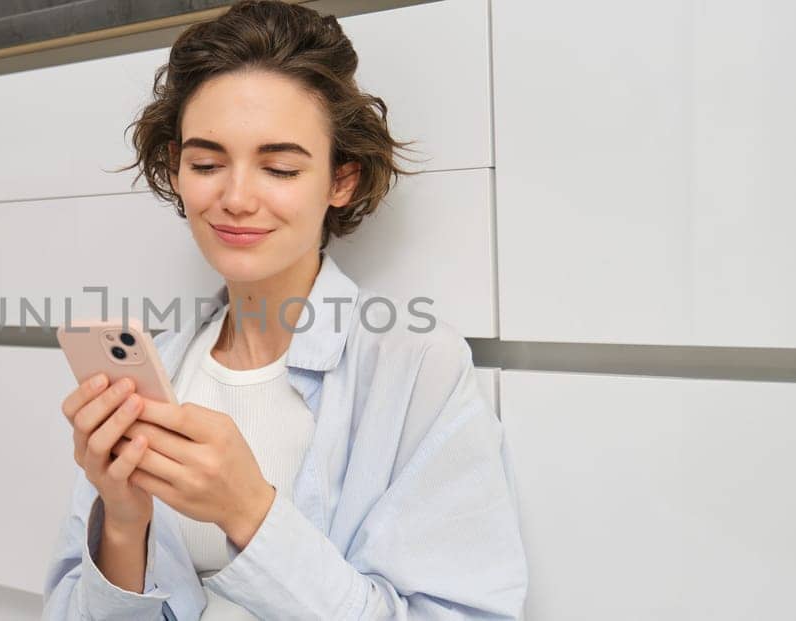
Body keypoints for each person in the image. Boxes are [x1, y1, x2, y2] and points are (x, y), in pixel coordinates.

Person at [42, 2, 527, 618]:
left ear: (340, 181)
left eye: (279, 167)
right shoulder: (155, 371)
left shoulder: (416, 371)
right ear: (176, 170)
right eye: (206, 163)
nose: (236, 198)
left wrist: (249, 511)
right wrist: (123, 525)